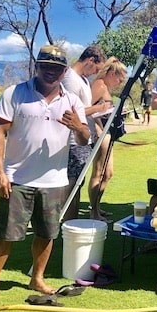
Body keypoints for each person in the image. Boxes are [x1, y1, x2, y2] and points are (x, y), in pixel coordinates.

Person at [0, 45, 90, 309]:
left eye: (57, 68)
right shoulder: (15, 93)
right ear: (36, 67)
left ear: (64, 72)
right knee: (5, 234)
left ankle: (37, 279)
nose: (51, 72)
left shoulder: (72, 100)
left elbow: (85, 139)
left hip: (54, 180)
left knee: (47, 233)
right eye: (45, 66)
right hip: (17, 178)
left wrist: (77, 127)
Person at [62, 44, 107, 221]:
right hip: (72, 141)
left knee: (78, 184)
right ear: (90, 61)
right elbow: (70, 113)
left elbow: (84, 109)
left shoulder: (83, 80)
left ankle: (73, 222)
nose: (96, 72)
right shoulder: (70, 80)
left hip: (84, 139)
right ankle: (68, 223)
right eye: (97, 68)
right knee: (71, 185)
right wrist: (99, 108)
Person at [88, 57, 128, 221]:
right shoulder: (99, 85)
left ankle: (97, 207)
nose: (120, 82)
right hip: (101, 133)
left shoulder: (104, 87)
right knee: (99, 172)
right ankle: (94, 212)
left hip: (108, 132)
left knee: (108, 173)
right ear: (111, 73)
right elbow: (86, 108)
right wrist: (97, 126)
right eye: (119, 78)